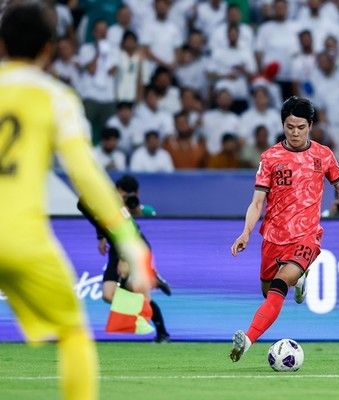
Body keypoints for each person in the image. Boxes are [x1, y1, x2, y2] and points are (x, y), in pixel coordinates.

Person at [0, 4, 153, 400]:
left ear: (1, 44)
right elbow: (88, 178)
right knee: (72, 333)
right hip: (22, 238)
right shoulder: (55, 97)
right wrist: (130, 242)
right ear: (48, 49)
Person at [229, 97, 339, 362]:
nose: (295, 133)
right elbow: (257, 202)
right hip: (273, 237)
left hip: (307, 236)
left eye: (301, 127)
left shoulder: (323, 155)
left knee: (279, 285)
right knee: (268, 293)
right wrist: (246, 232)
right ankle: (300, 279)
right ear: (283, 125)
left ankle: (247, 339)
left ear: (310, 126)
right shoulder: (270, 158)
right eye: (290, 127)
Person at [78, 175, 171, 342]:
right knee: (108, 295)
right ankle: (151, 281)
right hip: (117, 248)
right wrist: (101, 237)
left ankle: (162, 334)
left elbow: (130, 232)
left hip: (133, 246)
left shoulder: (118, 209)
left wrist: (124, 259)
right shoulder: (84, 203)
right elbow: (97, 221)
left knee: (137, 290)